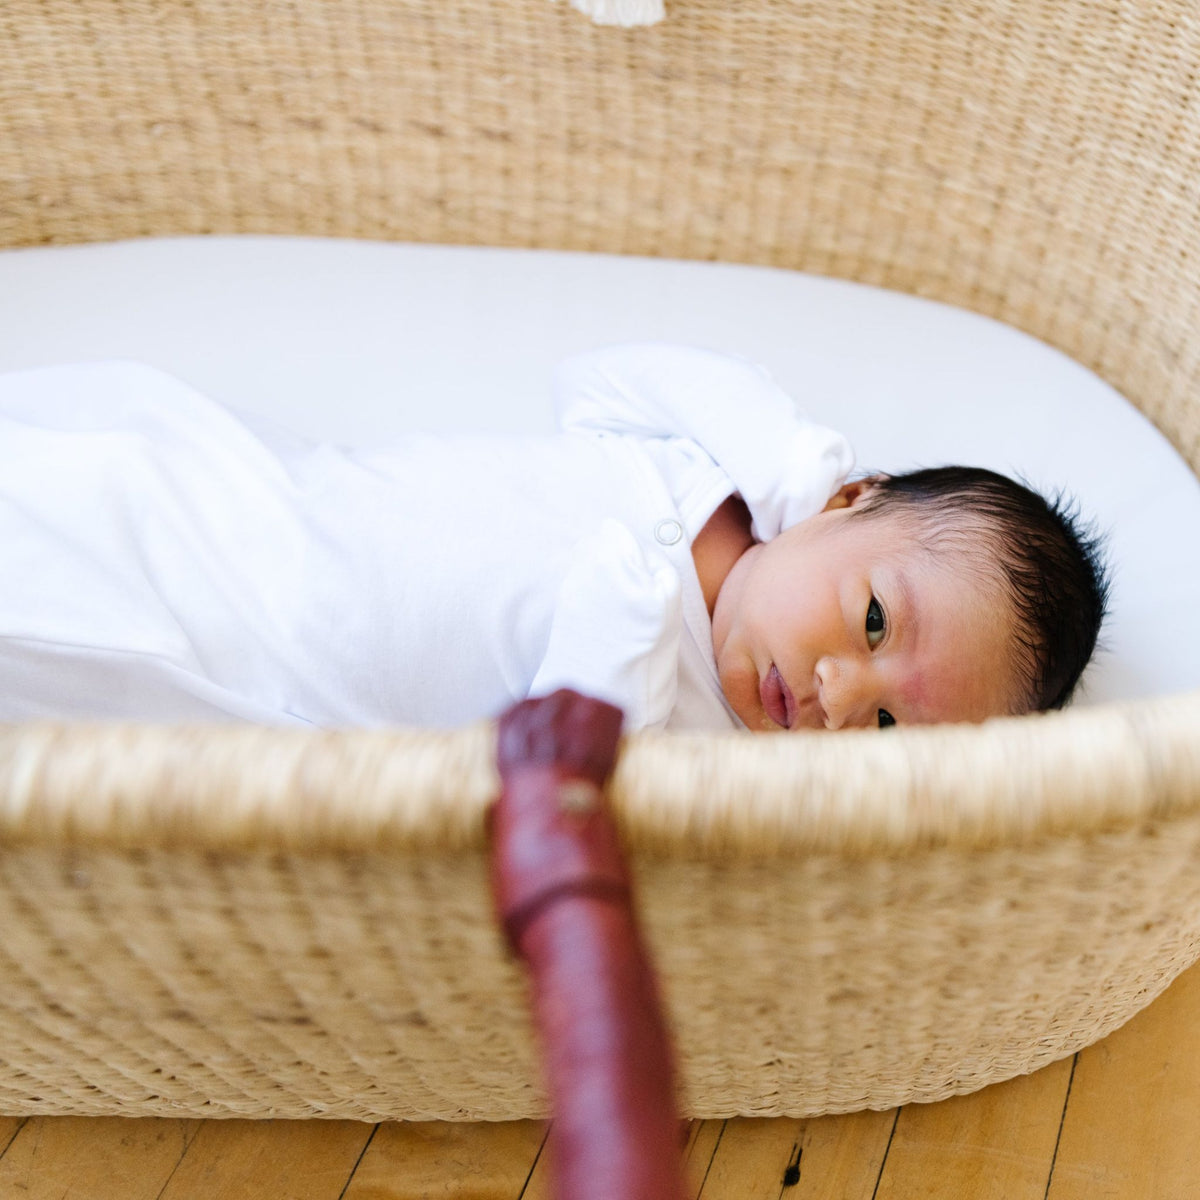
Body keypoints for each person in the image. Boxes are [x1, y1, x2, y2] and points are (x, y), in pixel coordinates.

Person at [0, 344, 1108, 732]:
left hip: (260, 683)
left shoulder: (699, 753)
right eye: (872, 620)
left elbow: (559, 789)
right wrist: (784, 461)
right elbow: (595, 376)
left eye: (878, 728)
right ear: (849, 498)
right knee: (76, 476)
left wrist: (610, 679)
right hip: (259, 505)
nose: (829, 688)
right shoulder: (700, 471)